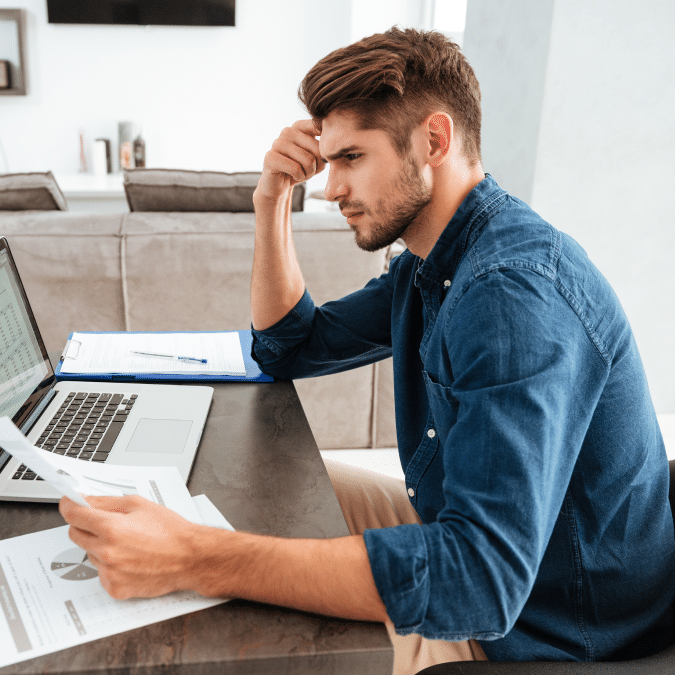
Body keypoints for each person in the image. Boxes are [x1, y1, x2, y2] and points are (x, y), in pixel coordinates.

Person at [60, 27, 674, 673]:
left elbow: (478, 584)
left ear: (433, 140)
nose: (330, 189)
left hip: (551, 627)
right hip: (471, 535)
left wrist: (197, 556)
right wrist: (270, 199)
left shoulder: (510, 296)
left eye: (351, 157)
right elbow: (288, 348)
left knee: (237, 606)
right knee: (259, 485)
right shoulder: (436, 258)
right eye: (326, 163)